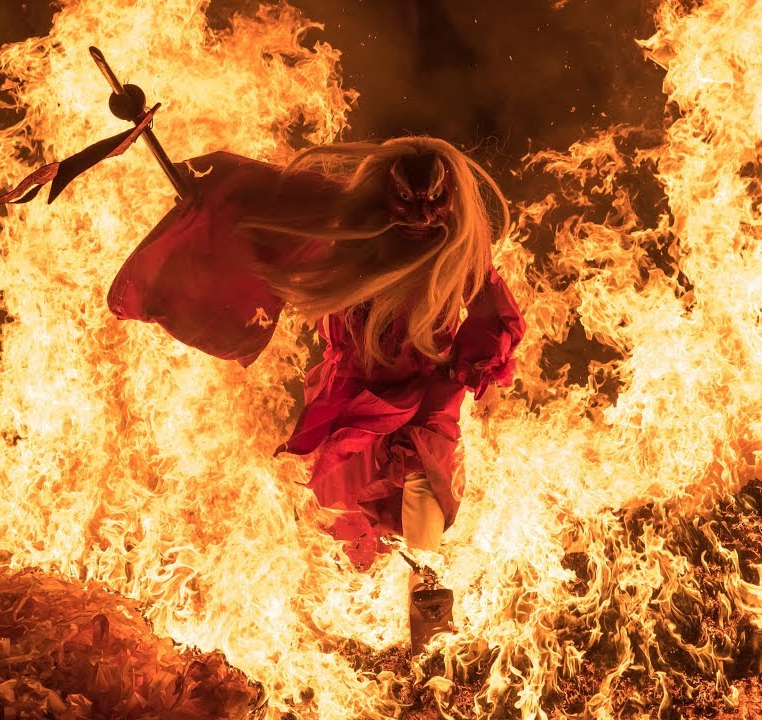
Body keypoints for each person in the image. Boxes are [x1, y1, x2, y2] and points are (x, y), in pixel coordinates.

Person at [94, 137, 522, 652]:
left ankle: (426, 584)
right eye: (408, 203)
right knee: (352, 494)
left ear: (450, 200)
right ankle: (366, 603)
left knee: (423, 471)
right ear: (386, 196)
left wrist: (479, 372)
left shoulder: (461, 254)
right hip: (357, 381)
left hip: (429, 382)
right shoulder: (345, 227)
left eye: (433, 204)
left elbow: (490, 313)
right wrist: (212, 212)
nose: (421, 216)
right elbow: (265, 214)